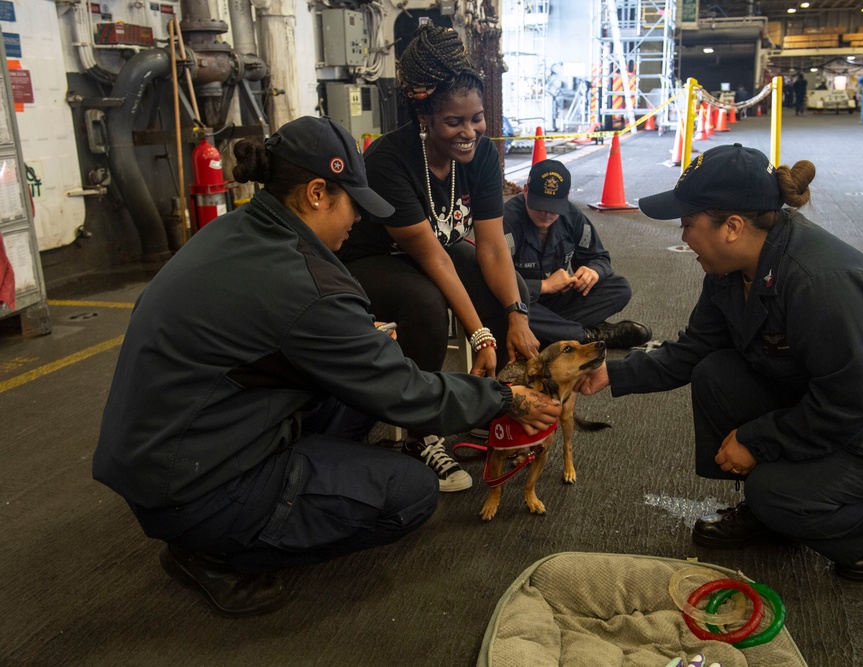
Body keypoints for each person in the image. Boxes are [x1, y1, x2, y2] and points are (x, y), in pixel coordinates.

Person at [92, 116, 562, 617]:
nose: (358, 219)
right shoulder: (305, 284)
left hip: (173, 445)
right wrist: (505, 398)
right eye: (353, 204)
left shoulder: (241, 228)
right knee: (410, 494)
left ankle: (296, 481)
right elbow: (405, 392)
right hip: (196, 486)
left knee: (355, 397)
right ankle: (215, 554)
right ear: (317, 193)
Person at [576, 143, 863, 582]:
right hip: (841, 393)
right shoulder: (729, 270)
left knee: (776, 494)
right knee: (717, 374)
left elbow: (848, 405)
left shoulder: (821, 282)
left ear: (733, 226)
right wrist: (610, 371)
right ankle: (776, 512)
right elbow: (695, 350)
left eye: (687, 224)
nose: (683, 237)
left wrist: (756, 441)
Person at [337, 24, 539, 490]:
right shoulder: (390, 159)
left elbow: (489, 246)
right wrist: (482, 335)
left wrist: (515, 314)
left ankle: (490, 404)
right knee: (426, 302)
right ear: (425, 117)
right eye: (455, 122)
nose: (470, 132)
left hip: (431, 259)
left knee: (513, 292)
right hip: (369, 264)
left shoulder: (482, 156)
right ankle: (420, 434)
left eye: (477, 118)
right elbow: (433, 259)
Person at [502, 159, 652, 349]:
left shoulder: (572, 216)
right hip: (522, 303)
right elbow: (493, 280)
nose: (547, 214)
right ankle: (587, 336)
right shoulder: (506, 222)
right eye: (539, 206)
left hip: (558, 302)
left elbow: (599, 257)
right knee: (505, 312)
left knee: (619, 287)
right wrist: (543, 286)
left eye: (553, 208)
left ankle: (555, 333)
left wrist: (593, 271)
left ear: (566, 197)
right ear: (525, 191)